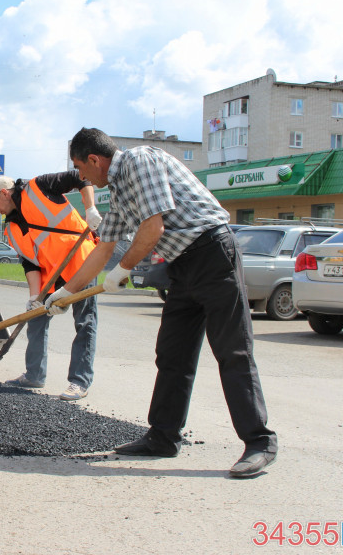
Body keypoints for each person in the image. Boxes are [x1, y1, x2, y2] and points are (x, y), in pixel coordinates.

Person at [45, 127, 277, 478]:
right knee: (172, 354)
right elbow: (103, 248)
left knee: (233, 352)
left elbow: (153, 227)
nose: (82, 177)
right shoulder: (119, 191)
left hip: (213, 254)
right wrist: (66, 291)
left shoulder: (140, 161)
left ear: (94, 159)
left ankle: (260, 441)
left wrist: (122, 270)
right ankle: (163, 437)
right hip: (181, 264)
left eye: (80, 168)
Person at [0, 172, 102, 400]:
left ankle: (79, 382)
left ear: (4, 193)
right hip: (52, 273)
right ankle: (34, 375)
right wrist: (34, 296)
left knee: (85, 321)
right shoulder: (11, 228)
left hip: (80, 261)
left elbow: (82, 177)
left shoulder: (40, 187)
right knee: (36, 318)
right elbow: (30, 263)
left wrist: (91, 209)